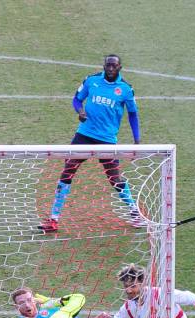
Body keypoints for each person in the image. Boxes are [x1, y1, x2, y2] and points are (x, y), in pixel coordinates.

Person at [39, 54, 140, 233]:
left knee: (114, 178)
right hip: (84, 135)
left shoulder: (125, 89)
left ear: (120, 68)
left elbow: (132, 114)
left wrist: (136, 138)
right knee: (68, 170)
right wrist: (80, 111)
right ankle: (54, 219)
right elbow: (77, 99)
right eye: (108, 65)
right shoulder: (91, 81)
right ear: (104, 66)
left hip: (107, 140)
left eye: (114, 66)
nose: (110, 68)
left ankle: (135, 212)